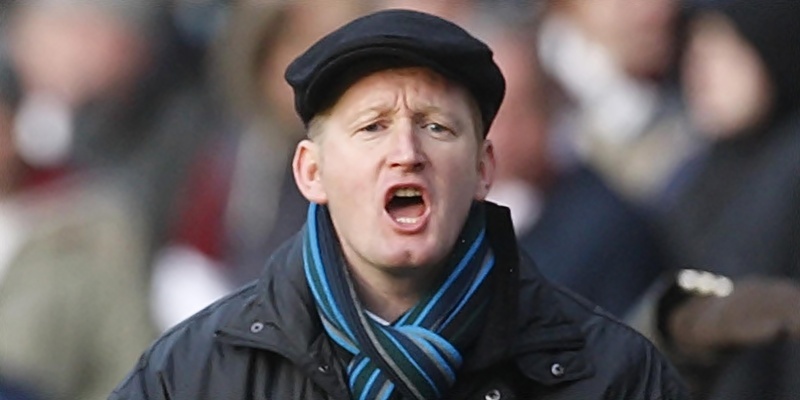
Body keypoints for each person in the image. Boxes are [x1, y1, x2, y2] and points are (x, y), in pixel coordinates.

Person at [108, 9, 689, 400]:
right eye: (373, 127)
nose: (406, 153)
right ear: (312, 171)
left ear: (484, 168)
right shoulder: (193, 375)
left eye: (436, 127)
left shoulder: (611, 372)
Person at [629, 1, 800, 399]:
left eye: (724, 50)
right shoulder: (701, 170)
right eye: (694, 46)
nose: (700, 68)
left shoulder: (788, 168)